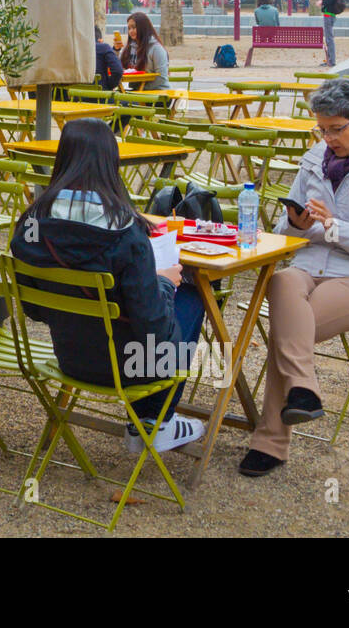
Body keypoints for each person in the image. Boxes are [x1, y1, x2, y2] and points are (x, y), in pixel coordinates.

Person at [238, 78, 349, 477]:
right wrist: (297, 223)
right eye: (322, 128)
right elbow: (288, 233)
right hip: (306, 267)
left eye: (336, 128)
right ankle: (305, 391)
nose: (328, 137)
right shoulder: (313, 159)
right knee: (281, 283)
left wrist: (336, 228)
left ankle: (270, 443)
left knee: (288, 331)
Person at [10, 118, 206, 452]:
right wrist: (162, 282)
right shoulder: (126, 234)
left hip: (70, 358)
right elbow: (154, 330)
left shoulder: (30, 224)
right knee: (192, 295)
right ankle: (156, 423)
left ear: (63, 158)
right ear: (110, 162)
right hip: (129, 367)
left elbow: (35, 311)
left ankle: (146, 424)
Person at [119, 11, 170, 89]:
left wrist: (142, 89)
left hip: (158, 93)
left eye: (134, 27)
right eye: (129, 28)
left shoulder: (156, 48)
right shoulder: (128, 48)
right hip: (135, 92)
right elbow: (117, 65)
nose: (131, 31)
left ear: (143, 27)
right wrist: (116, 49)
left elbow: (161, 77)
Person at [319, 0, 344, 66]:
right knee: (329, 38)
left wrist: (322, 1)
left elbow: (329, 2)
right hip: (329, 15)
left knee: (329, 38)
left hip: (328, 16)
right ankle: (330, 60)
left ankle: (331, 61)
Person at [93, 26, 123, 90]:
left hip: (75, 96)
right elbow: (118, 71)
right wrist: (109, 85)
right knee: (135, 100)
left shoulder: (74, 50)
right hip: (101, 96)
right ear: (100, 40)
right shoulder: (104, 47)